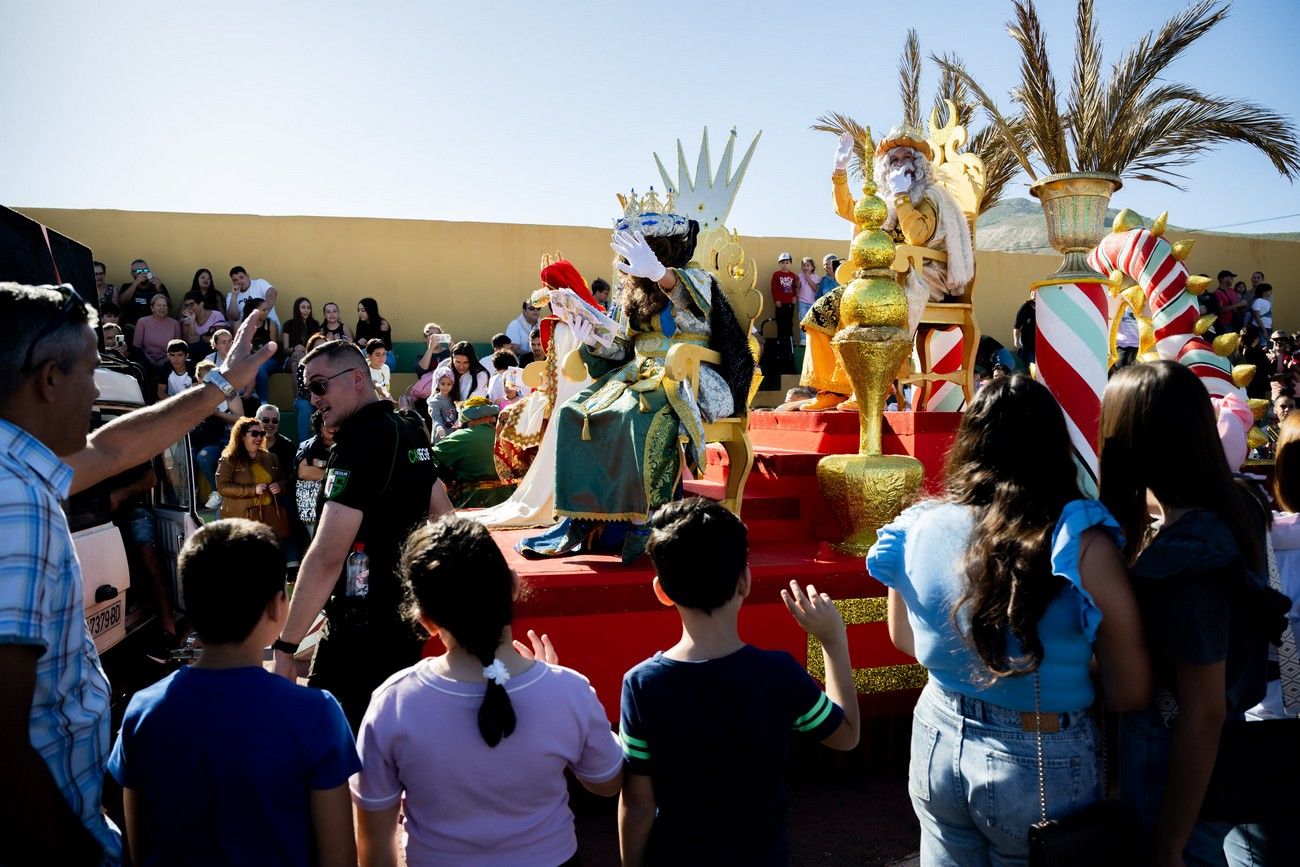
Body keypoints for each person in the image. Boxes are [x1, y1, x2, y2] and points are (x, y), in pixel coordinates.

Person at [0, 282, 274, 865]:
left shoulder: (19, 469)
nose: (97, 389)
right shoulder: (13, 501)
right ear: (49, 379)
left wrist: (218, 385)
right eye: (91, 370)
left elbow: (110, 449)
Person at [867, 373, 1150, 864]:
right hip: (1039, 754)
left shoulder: (918, 524)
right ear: (1053, 444)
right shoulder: (1082, 542)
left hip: (937, 733)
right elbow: (1129, 691)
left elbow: (904, 638)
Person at [1098, 361, 1287, 864]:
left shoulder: (1189, 556)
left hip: (1173, 765)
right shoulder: (1238, 505)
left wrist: (1168, 843)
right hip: (1214, 757)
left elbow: (1202, 710)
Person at [352, 516, 622, 866]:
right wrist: (553, 679)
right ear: (512, 586)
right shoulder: (567, 690)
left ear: (426, 621)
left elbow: (374, 840)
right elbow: (607, 782)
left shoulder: (393, 702)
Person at [618, 498, 860, 865]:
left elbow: (637, 803)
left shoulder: (641, 684)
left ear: (661, 590)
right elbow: (847, 735)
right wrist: (833, 641)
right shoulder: (777, 673)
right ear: (744, 580)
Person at [107, 519, 358, 867]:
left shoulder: (143, 711)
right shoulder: (316, 713)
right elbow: (339, 855)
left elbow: (138, 849)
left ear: (189, 603)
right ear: (277, 607)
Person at [519, 193, 752, 562]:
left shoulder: (696, 278)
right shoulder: (634, 293)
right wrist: (590, 337)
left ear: (661, 250)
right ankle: (580, 516)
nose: (628, 263)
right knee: (574, 411)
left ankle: (650, 518)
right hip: (636, 373)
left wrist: (661, 276)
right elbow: (624, 348)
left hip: (688, 374)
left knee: (639, 415)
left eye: (641, 251)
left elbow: (694, 307)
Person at [271, 339, 437, 730]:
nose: (312, 398)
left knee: (328, 755)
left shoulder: (357, 442)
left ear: (357, 378)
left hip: (359, 635)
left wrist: (285, 646)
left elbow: (328, 554)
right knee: (391, 751)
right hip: (406, 624)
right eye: (306, 389)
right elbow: (444, 517)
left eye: (318, 386)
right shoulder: (408, 428)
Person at [800, 127, 976, 412]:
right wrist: (839, 170)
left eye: (907, 157)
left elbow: (918, 236)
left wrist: (902, 197)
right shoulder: (884, 199)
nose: (900, 163)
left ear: (918, 165)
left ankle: (870, 389)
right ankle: (831, 389)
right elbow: (850, 210)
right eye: (894, 159)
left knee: (871, 307)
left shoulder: (930, 197)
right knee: (821, 310)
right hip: (880, 276)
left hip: (923, 275)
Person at [428, 396, 512, 508]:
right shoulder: (508, 437)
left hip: (474, 500)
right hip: (509, 500)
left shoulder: (461, 437)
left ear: (469, 418)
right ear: (492, 418)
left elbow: (430, 457)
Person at [215, 416, 284, 527]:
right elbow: (222, 487)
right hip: (239, 519)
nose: (259, 437)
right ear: (242, 436)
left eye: (261, 434)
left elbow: (283, 480)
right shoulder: (228, 459)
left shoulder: (271, 457)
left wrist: (279, 485)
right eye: (254, 433)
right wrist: (253, 490)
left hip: (267, 517)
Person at [193, 359, 244, 508]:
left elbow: (241, 419)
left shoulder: (230, 393)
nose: (208, 380)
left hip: (225, 439)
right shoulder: (197, 394)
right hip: (201, 437)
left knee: (204, 456)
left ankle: (218, 491)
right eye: (203, 376)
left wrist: (217, 414)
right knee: (185, 454)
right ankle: (191, 494)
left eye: (211, 375)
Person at [295, 411, 337, 538]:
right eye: (326, 424)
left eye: (335, 424)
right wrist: (332, 471)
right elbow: (303, 472)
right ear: (319, 425)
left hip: (338, 508)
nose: (331, 427)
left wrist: (319, 465)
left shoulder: (347, 446)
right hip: (311, 508)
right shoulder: (308, 446)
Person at [242, 296, 282, 402]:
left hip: (269, 360)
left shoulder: (270, 325)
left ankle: (263, 402)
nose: (267, 312)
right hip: (248, 360)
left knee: (259, 368)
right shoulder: (241, 325)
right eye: (264, 309)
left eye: (267, 309)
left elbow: (275, 349)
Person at [132, 292, 182, 369]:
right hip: (145, 360)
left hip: (168, 361)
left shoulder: (175, 324)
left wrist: (165, 360)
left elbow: (178, 347)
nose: (162, 308)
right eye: (159, 305)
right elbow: (137, 345)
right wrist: (149, 359)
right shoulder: (142, 322)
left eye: (164, 305)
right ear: (152, 308)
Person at [117, 258, 169, 326]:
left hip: (153, 324)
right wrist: (136, 283)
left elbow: (168, 307)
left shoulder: (158, 286)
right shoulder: (127, 286)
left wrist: (159, 289)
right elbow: (122, 302)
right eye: (139, 271)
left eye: (146, 270)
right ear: (132, 274)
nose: (143, 273)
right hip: (131, 324)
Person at [179, 289, 227, 361]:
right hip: (196, 352)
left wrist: (200, 338)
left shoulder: (216, 315)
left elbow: (220, 338)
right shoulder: (187, 319)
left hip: (213, 350)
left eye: (191, 304)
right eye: (187, 305)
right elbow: (190, 341)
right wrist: (192, 321)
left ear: (201, 304)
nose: (189, 308)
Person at [281, 296, 320, 373]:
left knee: (296, 364)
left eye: (308, 308)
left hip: (308, 357)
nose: (306, 310)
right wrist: (295, 348)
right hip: (290, 359)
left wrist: (305, 350)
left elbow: (317, 347)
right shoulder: (288, 324)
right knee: (297, 355)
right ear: (297, 309)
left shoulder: (315, 325)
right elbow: (285, 349)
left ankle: (300, 384)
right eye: (303, 307)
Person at [769, 252, 798, 343]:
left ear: (790, 263)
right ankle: (780, 341)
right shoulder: (776, 274)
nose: (785, 265)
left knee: (789, 322)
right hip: (780, 303)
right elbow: (774, 288)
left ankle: (789, 342)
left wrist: (795, 297)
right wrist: (776, 300)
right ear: (779, 264)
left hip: (790, 303)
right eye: (782, 263)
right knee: (780, 323)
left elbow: (795, 288)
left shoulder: (793, 275)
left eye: (787, 262)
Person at [427, 367, 458, 439]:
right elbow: (436, 417)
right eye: (443, 384)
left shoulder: (454, 399)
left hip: (453, 436)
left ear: (452, 385)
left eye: (449, 384)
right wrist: (439, 428)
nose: (445, 387)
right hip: (440, 438)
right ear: (438, 384)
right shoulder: (434, 401)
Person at [795, 256, 819, 346]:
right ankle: (803, 339)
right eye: (804, 265)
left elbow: (815, 289)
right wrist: (797, 284)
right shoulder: (799, 276)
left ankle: (811, 340)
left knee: (811, 322)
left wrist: (808, 277)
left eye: (808, 265)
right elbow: (797, 288)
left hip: (812, 303)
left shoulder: (816, 277)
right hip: (802, 302)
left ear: (812, 267)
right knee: (803, 320)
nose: (806, 267)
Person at [1214, 269, 1246, 333]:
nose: (1232, 280)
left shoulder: (1232, 291)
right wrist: (1238, 304)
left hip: (1235, 322)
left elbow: (1235, 306)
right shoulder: (1217, 293)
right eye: (1231, 278)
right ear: (1224, 279)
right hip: (1224, 324)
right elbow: (1221, 309)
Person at [1013, 289, 1037, 368]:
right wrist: (1016, 342)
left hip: (1042, 344)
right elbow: (1017, 326)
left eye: (1036, 294)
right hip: (1028, 344)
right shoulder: (1025, 308)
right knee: (1031, 365)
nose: (1034, 296)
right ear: (1030, 295)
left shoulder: (1044, 307)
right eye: (1033, 294)